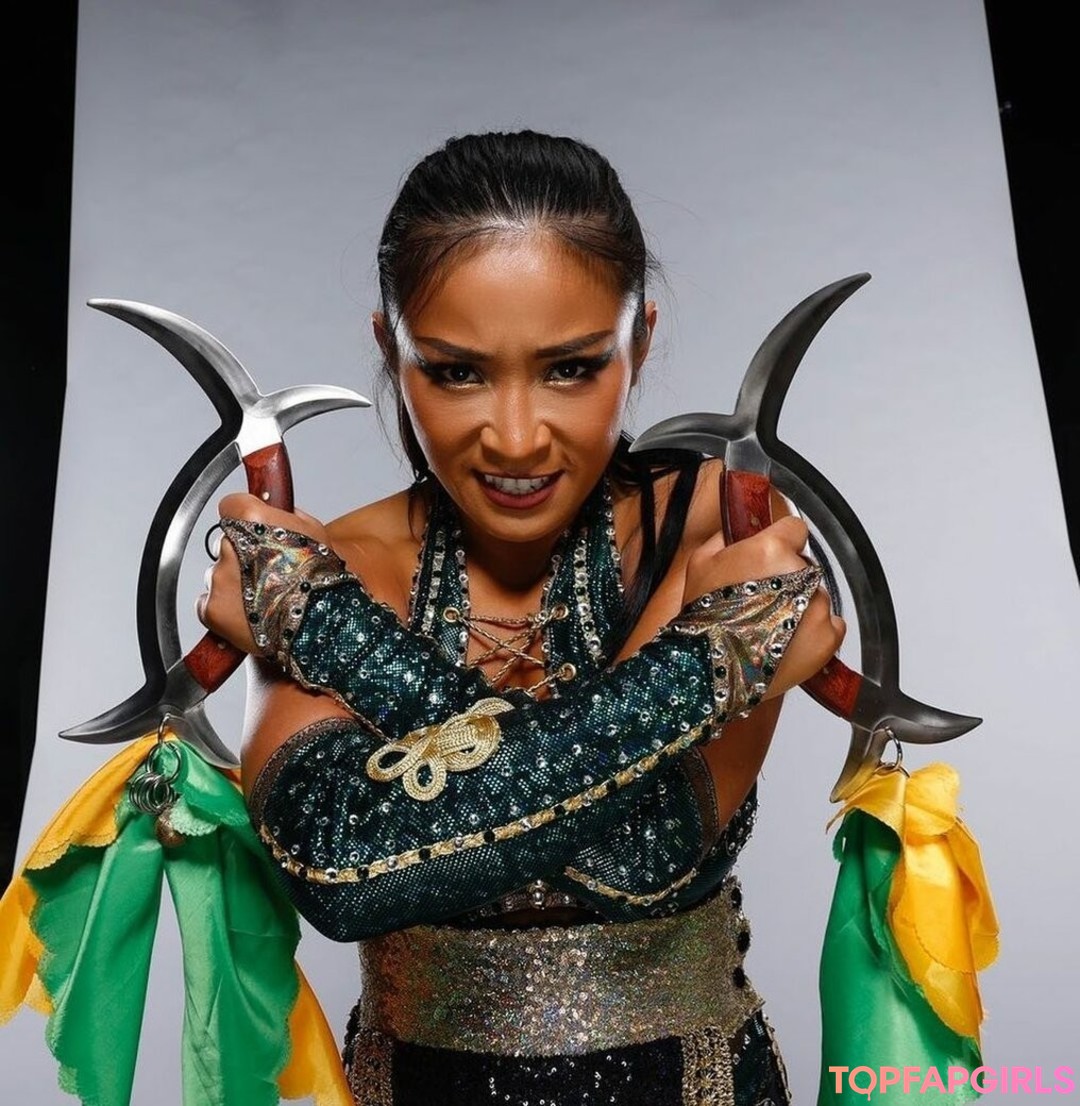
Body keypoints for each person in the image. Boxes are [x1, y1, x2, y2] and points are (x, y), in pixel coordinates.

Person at [198, 129, 845, 1106]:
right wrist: (710, 664)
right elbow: (339, 864)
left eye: (571, 367)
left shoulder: (713, 528)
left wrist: (330, 635)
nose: (514, 437)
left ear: (639, 341)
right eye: (456, 371)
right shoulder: (336, 571)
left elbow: (640, 855)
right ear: (391, 349)